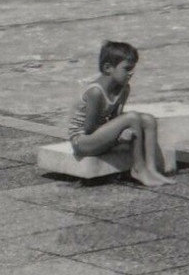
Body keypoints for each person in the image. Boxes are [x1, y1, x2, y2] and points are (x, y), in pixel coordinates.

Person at [68, 41, 175, 186]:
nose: (131, 73)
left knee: (148, 120)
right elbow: (89, 129)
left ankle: (152, 169)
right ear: (108, 68)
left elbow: (115, 119)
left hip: (99, 136)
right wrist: (118, 137)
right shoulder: (96, 92)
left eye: (133, 68)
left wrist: (121, 133)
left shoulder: (123, 88)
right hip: (82, 142)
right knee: (132, 117)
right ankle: (138, 168)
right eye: (127, 68)